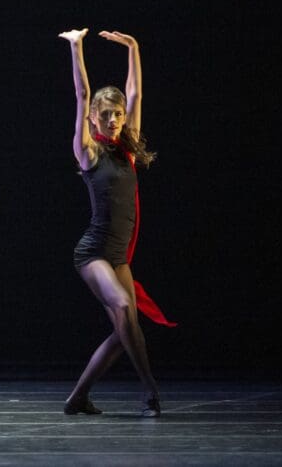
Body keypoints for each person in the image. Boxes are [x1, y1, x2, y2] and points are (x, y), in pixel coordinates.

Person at [58, 28, 175, 418]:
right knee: (125, 309)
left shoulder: (127, 147)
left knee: (125, 330)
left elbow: (137, 93)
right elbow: (80, 95)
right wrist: (77, 46)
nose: (112, 120)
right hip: (92, 254)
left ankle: (78, 398)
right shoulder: (88, 152)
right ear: (94, 118)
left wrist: (134, 48)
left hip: (118, 256)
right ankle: (151, 393)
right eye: (104, 114)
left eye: (117, 114)